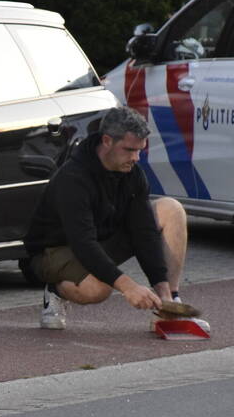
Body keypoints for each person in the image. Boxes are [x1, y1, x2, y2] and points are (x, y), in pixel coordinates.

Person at [23, 106, 187, 329]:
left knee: (172, 209)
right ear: (107, 141)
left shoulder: (133, 173)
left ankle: (170, 303)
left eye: (140, 150)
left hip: (98, 239)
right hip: (55, 250)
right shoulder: (73, 178)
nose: (136, 158)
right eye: (129, 150)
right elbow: (83, 243)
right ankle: (55, 290)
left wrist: (162, 292)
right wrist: (128, 286)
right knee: (99, 289)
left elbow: (144, 232)